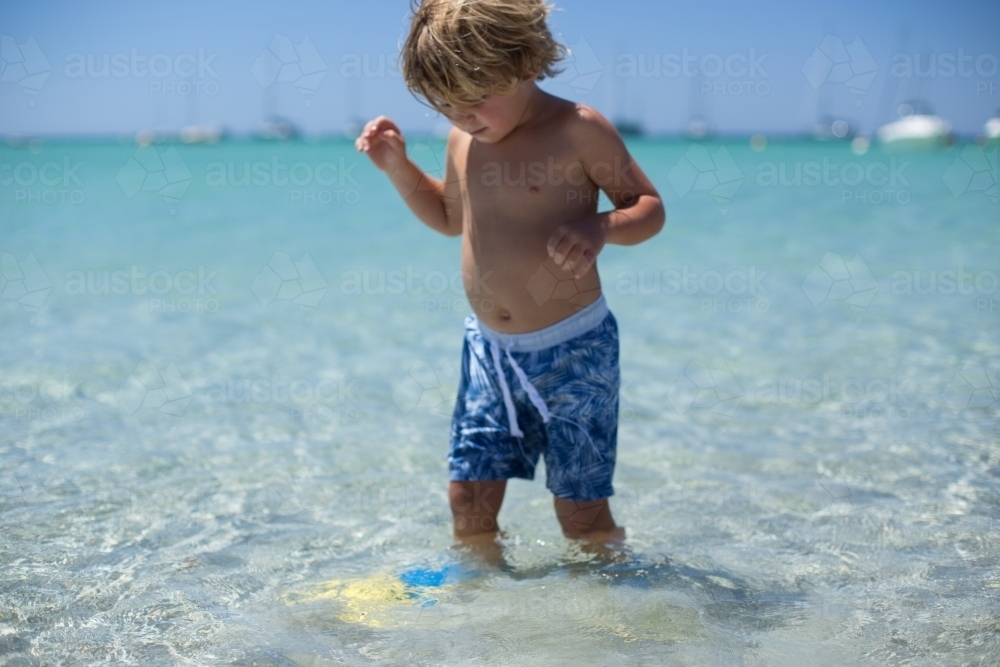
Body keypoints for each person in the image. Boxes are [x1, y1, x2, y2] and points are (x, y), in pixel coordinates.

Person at [355, 0, 664, 563]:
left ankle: (608, 607)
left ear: (523, 64)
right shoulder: (462, 139)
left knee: (580, 509)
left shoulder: (577, 130)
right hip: (489, 352)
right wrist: (398, 168)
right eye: (446, 104)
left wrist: (602, 227)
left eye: (473, 101)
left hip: (576, 352)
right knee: (468, 497)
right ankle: (483, 609)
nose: (461, 115)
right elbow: (450, 219)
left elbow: (648, 207)